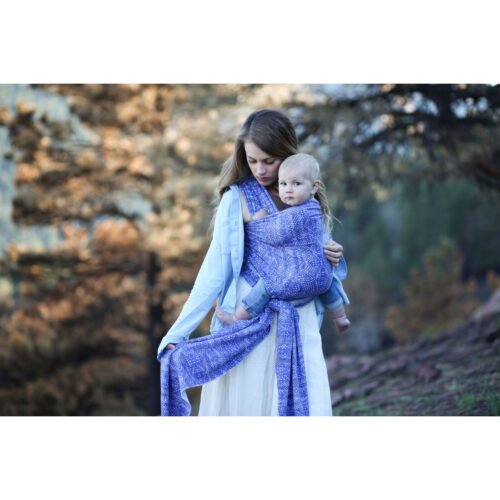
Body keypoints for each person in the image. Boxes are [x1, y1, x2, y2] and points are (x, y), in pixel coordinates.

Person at [157, 109, 346, 416]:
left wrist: (333, 254)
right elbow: (214, 270)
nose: (260, 170)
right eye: (252, 160)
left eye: (269, 161)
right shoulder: (238, 198)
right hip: (251, 315)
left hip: (300, 318)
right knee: (251, 402)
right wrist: (178, 333)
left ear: (286, 152)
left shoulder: (303, 190)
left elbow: (313, 258)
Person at [215, 152, 350, 333]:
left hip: (298, 276)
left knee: (266, 286)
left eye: (296, 184)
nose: (288, 189)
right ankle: (340, 317)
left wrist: (261, 221)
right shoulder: (315, 208)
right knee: (329, 282)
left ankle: (236, 318)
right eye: (283, 184)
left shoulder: (300, 213)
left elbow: (275, 233)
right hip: (322, 276)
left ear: (314, 187)